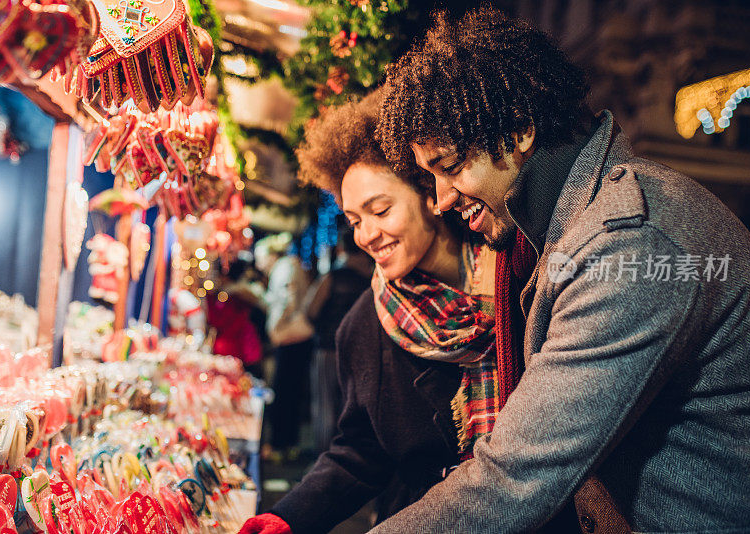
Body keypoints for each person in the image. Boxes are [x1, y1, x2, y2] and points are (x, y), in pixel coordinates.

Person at [369, 7, 750, 533]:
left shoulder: (629, 244)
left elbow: (512, 479)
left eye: (449, 166)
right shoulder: (574, 228)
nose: (441, 200)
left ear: (520, 129)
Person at [240, 91, 576, 534]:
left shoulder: (520, 273)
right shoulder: (365, 326)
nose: (367, 235)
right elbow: (359, 452)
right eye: (355, 220)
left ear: (429, 194)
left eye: (380, 210)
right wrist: (288, 517)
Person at [303, 225, 373, 453]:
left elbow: (310, 310)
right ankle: (346, 458)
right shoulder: (372, 280)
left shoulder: (332, 277)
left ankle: (324, 458)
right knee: (350, 407)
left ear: (342, 247)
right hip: (361, 352)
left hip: (328, 349)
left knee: (325, 406)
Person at [255, 233, 315, 458]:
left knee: (283, 392)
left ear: (271, 255)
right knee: (290, 392)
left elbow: (286, 302)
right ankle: (288, 444)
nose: (258, 263)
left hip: (290, 338)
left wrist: (275, 328)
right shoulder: (290, 266)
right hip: (295, 338)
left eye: (260, 257)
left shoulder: (284, 268)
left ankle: (279, 446)